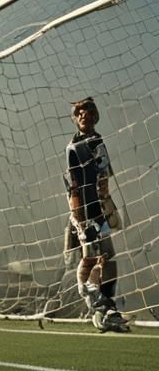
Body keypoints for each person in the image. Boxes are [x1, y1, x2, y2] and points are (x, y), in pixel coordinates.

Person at [63, 97, 128, 332]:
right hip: (84, 210)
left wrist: (107, 204)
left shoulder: (98, 140)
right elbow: (73, 185)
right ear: (75, 118)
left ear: (95, 116)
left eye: (87, 111)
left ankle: (106, 304)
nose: (83, 115)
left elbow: (104, 176)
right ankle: (92, 299)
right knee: (91, 257)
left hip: (99, 209)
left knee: (108, 255)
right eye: (78, 112)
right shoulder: (73, 147)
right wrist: (77, 214)